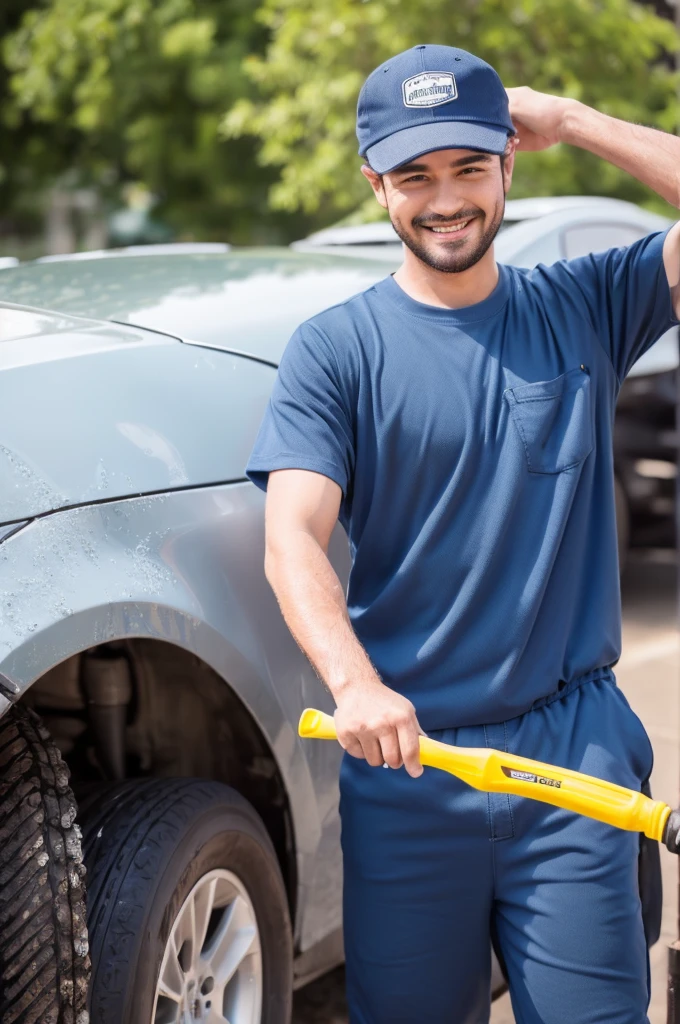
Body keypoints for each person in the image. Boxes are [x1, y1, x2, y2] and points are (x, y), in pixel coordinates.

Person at [245, 43, 680, 1024]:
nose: (443, 199)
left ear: (508, 164)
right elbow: (292, 540)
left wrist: (570, 116)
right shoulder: (335, 351)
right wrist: (354, 683)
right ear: (376, 187)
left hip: (572, 767)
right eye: (413, 175)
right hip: (409, 769)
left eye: (466, 167)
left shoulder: (583, 307)